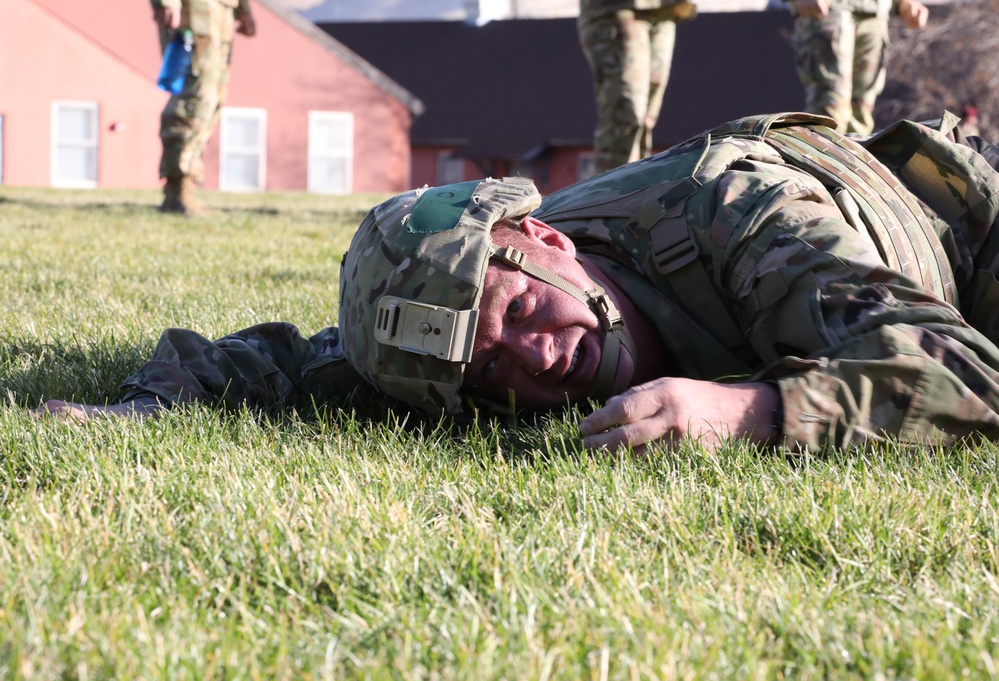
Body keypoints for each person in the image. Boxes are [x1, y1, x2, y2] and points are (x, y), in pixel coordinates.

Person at [38, 110, 999, 455]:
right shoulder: (448, 327)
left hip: (958, 222)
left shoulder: (741, 220)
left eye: (526, 310)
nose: (541, 361)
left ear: (541, 237)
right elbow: (276, 362)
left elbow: (958, 367)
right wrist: (134, 412)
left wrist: (745, 413)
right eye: (489, 376)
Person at [152, 0, 256, 216]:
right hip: (192, 16)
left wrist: (243, 10)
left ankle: (186, 185)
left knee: (212, 102)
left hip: (220, 17)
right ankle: (177, 189)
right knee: (192, 103)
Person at [578, 0, 697, 174]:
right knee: (626, 111)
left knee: (647, 116)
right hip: (617, 9)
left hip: (665, 10)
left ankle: (634, 189)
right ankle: (609, 193)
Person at [790, 0, 928, 134]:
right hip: (829, 10)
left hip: (874, 11)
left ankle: (850, 156)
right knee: (830, 105)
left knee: (862, 107)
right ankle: (821, 154)